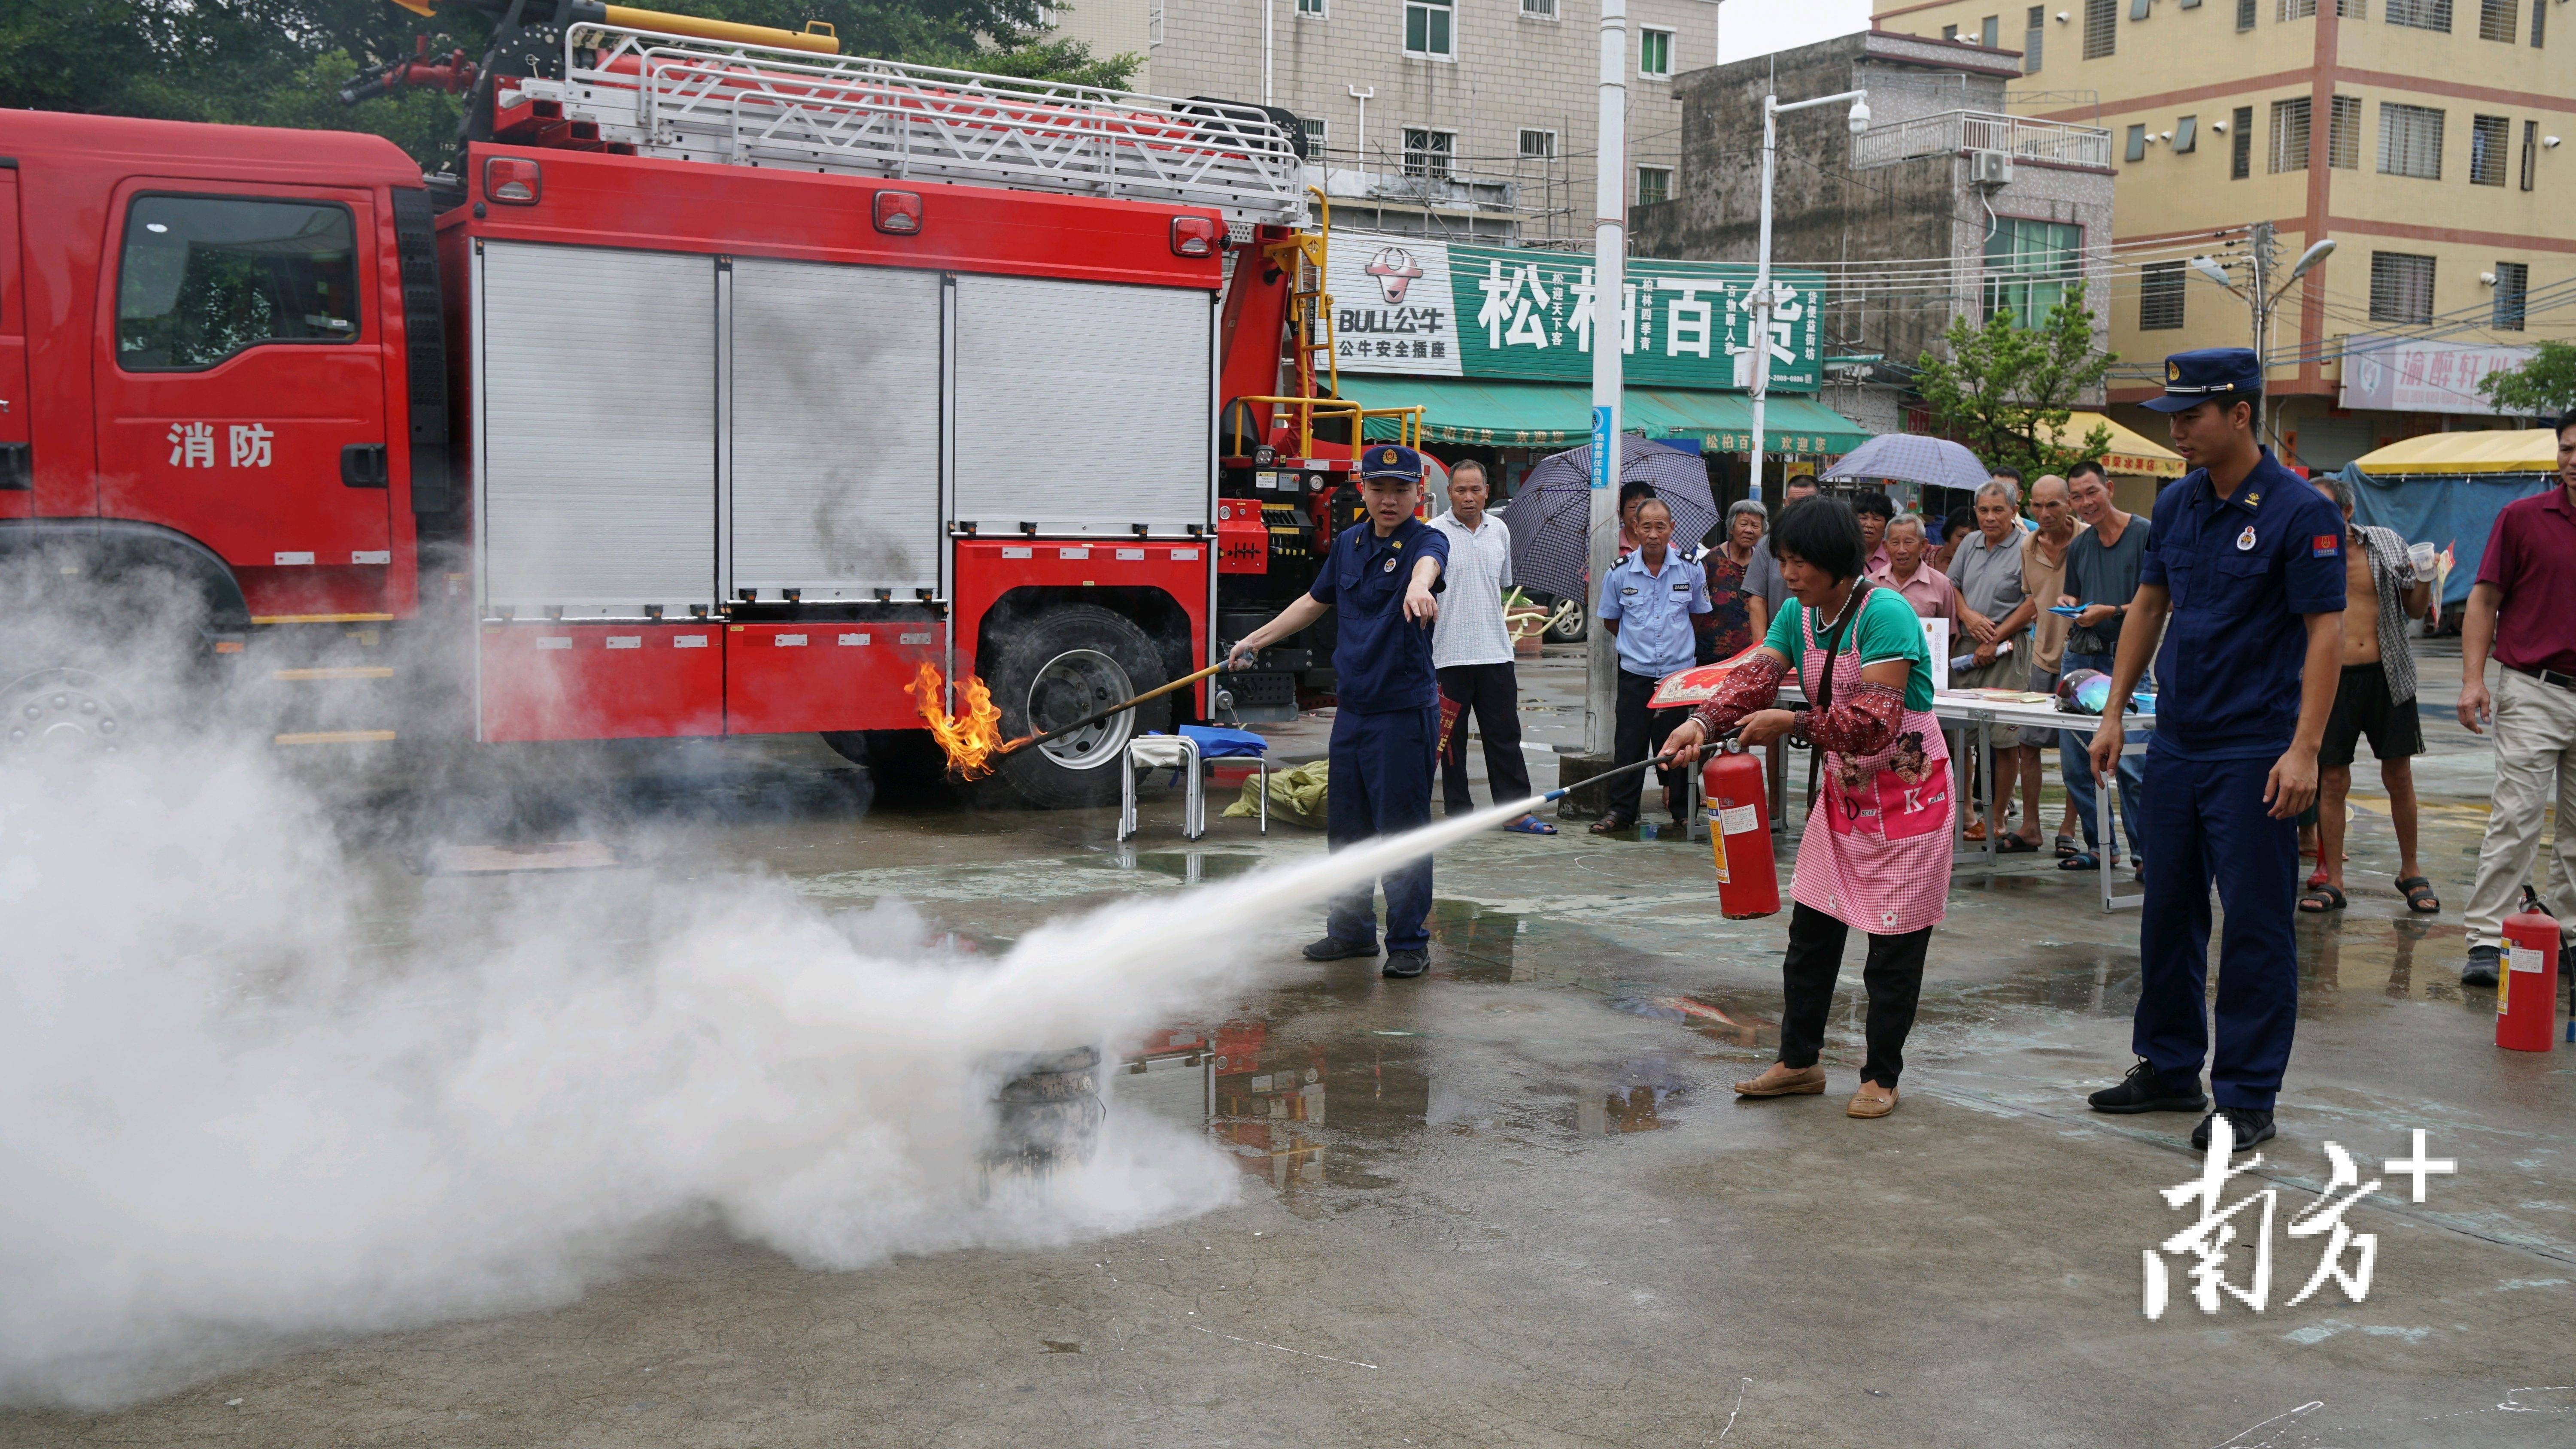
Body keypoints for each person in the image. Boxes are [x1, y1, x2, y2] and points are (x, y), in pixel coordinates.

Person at [2083, 348, 2346, 1153]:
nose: (2177, 431)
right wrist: (2116, 709)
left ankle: (2246, 1096)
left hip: (2257, 749)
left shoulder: (2302, 513)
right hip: (2180, 741)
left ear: (2241, 413)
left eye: (2190, 415)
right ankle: (2168, 1066)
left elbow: (2325, 635)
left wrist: (2305, 750)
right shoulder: (2181, 503)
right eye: (2172, 416)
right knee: (2166, 909)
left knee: (2259, 925)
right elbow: (2148, 606)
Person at [1661, 498, 1953, 1119]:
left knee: (1893, 946)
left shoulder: (1886, 614)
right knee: (1812, 936)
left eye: (1800, 562)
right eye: (1783, 560)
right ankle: (1800, 1062)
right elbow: (1753, 679)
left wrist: (1789, 722)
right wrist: (1701, 720)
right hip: (1845, 798)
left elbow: (1875, 723)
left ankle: (1881, 1076)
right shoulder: (1797, 615)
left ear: (1837, 563)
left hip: (1907, 799)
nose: (1788, 575)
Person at [1227, 445, 1449, 978]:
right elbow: (1312, 601)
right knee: (1347, 831)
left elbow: (1429, 566)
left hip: (1401, 712)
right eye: (1379, 488)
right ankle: (1350, 933)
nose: (1389, 499)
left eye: (1400, 489)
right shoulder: (1348, 544)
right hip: (1353, 711)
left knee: (1400, 832)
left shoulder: (1427, 540)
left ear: (1419, 493)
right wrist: (1255, 639)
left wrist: (1419, 586)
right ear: (1363, 491)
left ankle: (1408, 942)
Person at [2455, 411, 2576, 986]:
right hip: (2534, 687)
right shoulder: (2523, 518)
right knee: (2518, 815)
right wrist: (2473, 680)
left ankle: (2569, 934)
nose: (2573, 459)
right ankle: (2486, 936)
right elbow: (2483, 601)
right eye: (2567, 449)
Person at [2300, 473, 2433, 915]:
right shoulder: (2300, 549)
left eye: (2324, 510)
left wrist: (2426, 578)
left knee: (2399, 776)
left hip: (2387, 672)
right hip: (2329, 679)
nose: (2314, 518)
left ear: (2347, 512)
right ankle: (2334, 879)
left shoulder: (2385, 543)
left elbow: (2414, 608)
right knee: (2331, 780)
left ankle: (2410, 870)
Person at [1429, 460, 1552, 836]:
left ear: (1486, 491)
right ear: (1449, 492)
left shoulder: (1500, 530)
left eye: (1476, 489)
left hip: (1495, 652)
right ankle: (1459, 812)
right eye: (1461, 490)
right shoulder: (1432, 534)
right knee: (1450, 743)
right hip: (1446, 654)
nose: (1469, 497)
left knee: (1505, 735)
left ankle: (1515, 811)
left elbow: (1501, 584)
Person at [1595, 496, 1711, 834]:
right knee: (1629, 745)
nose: (1654, 534)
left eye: (1661, 526)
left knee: (1679, 746)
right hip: (1636, 673)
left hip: (1678, 676)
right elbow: (1611, 622)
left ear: (1672, 528)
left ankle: (1683, 810)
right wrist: (1640, 647)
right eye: (1646, 526)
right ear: (1635, 529)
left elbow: (1698, 617)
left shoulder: (1690, 568)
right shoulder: (1619, 573)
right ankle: (1621, 812)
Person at [2056, 459, 2148, 872]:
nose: (2085, 503)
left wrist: (2112, 611)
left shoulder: (2145, 535)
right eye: (2076, 497)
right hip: (2082, 657)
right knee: (2077, 760)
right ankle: (2100, 847)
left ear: (2109, 488)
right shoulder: (2079, 546)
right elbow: (2074, 596)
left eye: (2092, 492)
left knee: (2132, 764)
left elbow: (2157, 604)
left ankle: (2146, 853)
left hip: (2128, 658)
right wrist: (2073, 606)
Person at [1947, 479, 2037, 848]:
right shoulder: (1969, 543)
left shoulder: (2027, 547)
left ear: (2015, 511)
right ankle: (1966, 811)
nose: (1989, 517)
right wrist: (1967, 615)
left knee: (2004, 739)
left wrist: (1997, 636)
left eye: (1998, 510)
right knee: (1958, 734)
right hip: (1968, 648)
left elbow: (2034, 602)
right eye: (1983, 510)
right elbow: (1951, 585)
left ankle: (1996, 817)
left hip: (2007, 649)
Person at [2020, 475, 2083, 855]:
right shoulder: (2027, 546)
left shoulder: (2089, 540)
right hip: (2041, 655)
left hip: (2082, 658)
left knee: (2076, 749)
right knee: (2028, 743)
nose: (2044, 514)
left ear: (2069, 505)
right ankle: (2030, 825)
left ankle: (2069, 828)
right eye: (2038, 506)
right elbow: (2032, 600)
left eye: (2053, 506)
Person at [1695, 499, 1770, 664]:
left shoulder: (1764, 562)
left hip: (1753, 653)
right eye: (1743, 524)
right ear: (1731, 527)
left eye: (1755, 526)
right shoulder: (1711, 561)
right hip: (1712, 652)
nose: (1749, 530)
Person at [1867, 514, 1960, 641]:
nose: (1901, 550)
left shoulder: (1941, 584)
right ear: (1886, 547)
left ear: (1923, 545)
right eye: (1895, 543)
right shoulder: (1872, 583)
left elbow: (1950, 634)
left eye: (1908, 542)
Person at [1744, 474, 1819, 620]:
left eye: (1805, 503)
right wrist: (1762, 643)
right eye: (1793, 502)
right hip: (1778, 637)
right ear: (1785, 503)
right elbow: (1757, 600)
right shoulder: (1768, 544)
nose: (1799, 509)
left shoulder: (1829, 543)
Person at [1853, 490, 1896, 576]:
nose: (1869, 525)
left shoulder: (1893, 557)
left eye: (1876, 519)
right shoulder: (1843, 553)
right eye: (1863, 518)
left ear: (1887, 524)